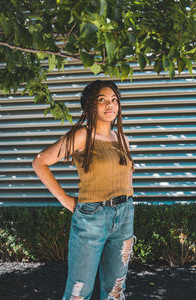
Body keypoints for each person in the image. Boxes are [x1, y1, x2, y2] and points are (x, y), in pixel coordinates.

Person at [32, 80, 135, 300]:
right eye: (102, 100)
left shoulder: (122, 139)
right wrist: (66, 200)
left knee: (115, 290)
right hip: (92, 218)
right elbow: (40, 162)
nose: (110, 105)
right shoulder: (82, 135)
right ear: (90, 106)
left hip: (125, 216)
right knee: (79, 290)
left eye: (114, 100)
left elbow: (127, 176)